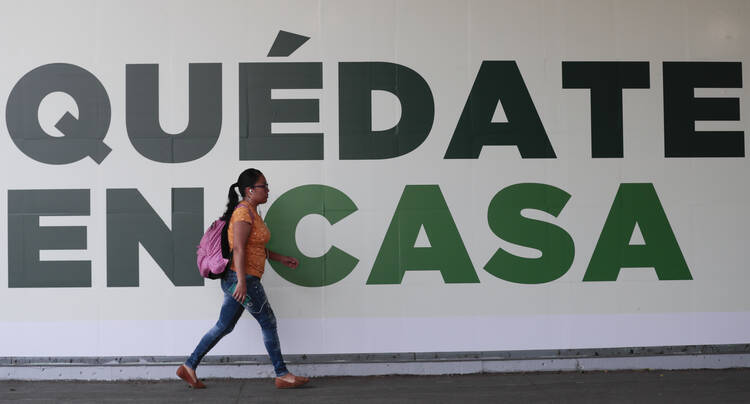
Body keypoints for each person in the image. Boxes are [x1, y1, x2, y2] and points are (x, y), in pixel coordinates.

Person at [177, 168, 309, 389]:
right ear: (249, 190)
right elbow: (237, 249)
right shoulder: (243, 213)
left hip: (240, 277)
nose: (267, 190)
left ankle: (189, 367)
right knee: (268, 322)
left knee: (223, 326)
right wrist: (242, 281)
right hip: (242, 277)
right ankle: (282, 374)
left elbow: (253, 248)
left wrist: (280, 258)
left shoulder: (252, 212)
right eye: (263, 186)